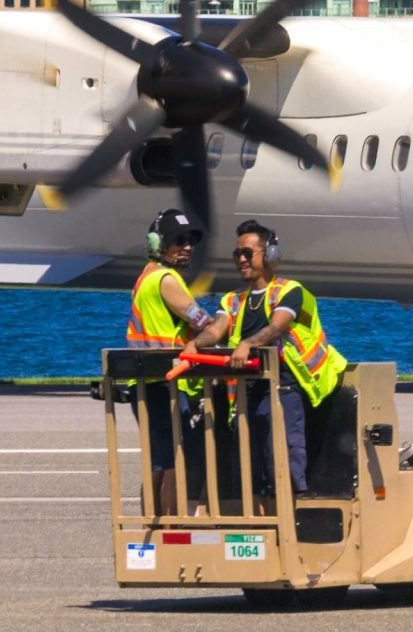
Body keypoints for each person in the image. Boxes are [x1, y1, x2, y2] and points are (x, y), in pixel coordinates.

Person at [194, 219, 350, 498]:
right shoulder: (231, 300)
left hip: (283, 385)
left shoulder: (289, 290)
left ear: (269, 255)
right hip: (247, 388)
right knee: (252, 451)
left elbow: (278, 325)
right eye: (237, 254)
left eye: (247, 253)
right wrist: (194, 344)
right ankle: (262, 500)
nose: (241, 259)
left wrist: (248, 344)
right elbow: (217, 329)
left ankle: (295, 497)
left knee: (285, 446)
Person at [129, 207, 217, 515]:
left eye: (190, 240)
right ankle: (170, 526)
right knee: (171, 458)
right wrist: (222, 321)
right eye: (179, 240)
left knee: (159, 456)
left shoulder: (147, 278)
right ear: (158, 245)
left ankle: (154, 523)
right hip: (162, 380)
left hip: (149, 378)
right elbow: (202, 321)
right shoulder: (166, 279)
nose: (187, 246)